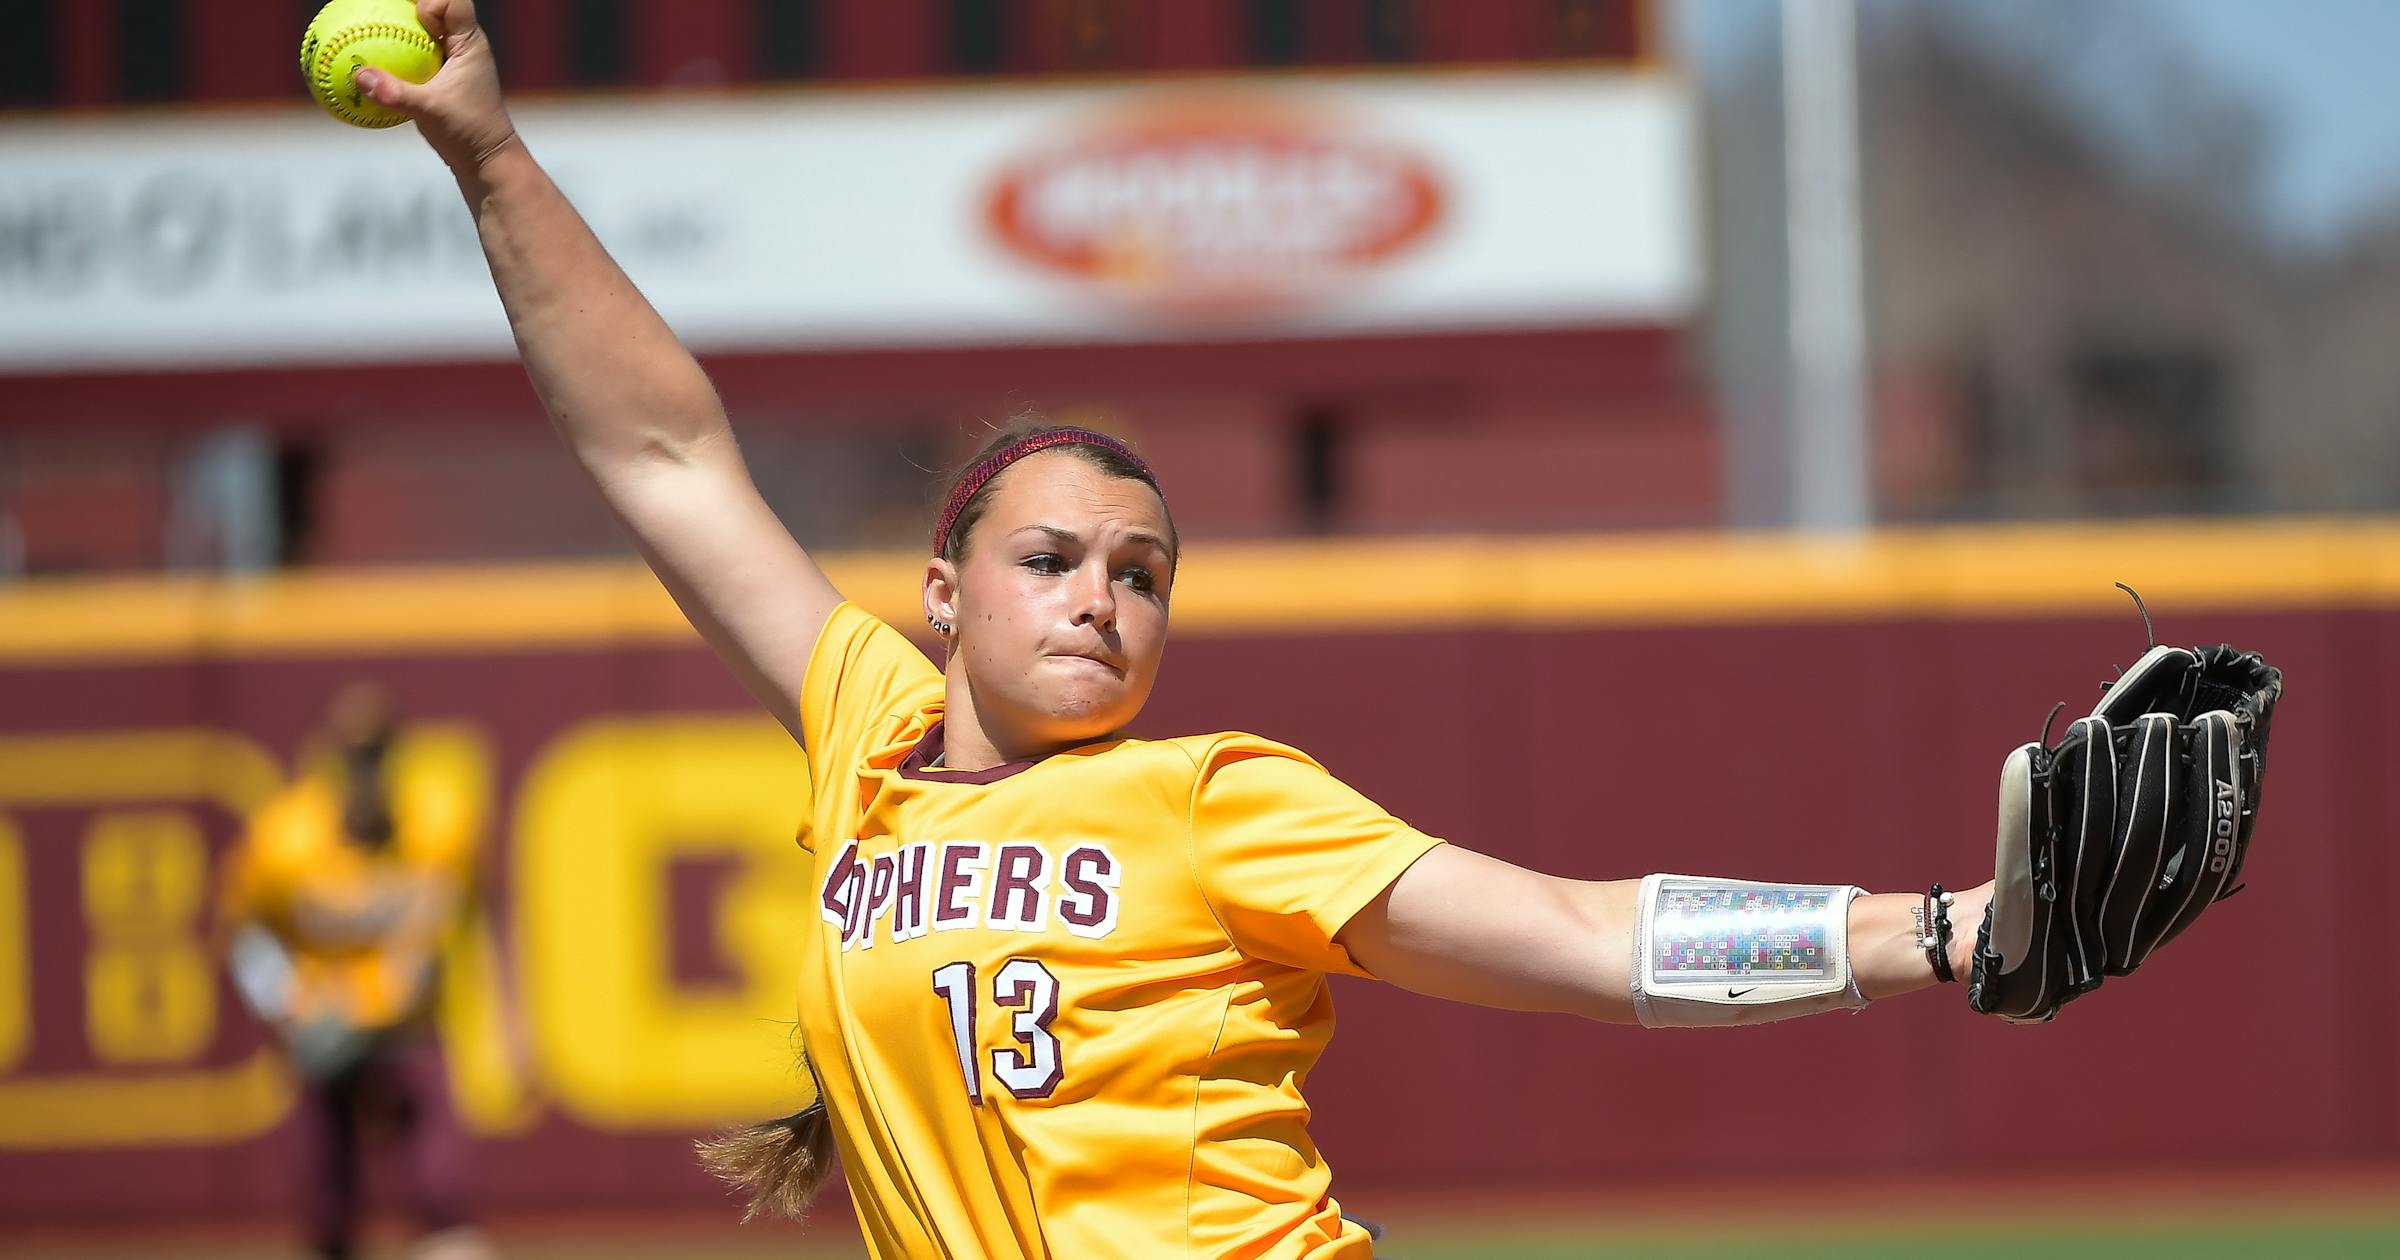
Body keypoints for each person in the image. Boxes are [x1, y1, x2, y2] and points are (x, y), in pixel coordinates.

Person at [354, 5, 2270, 1255]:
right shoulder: (863, 743)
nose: (1103, 594)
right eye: (1051, 559)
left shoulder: (1213, 801)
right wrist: (492, 159)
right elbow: (668, 448)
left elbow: (1589, 936)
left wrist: (1948, 934)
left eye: (1143, 569)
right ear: (939, 599)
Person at [217, 684, 493, 1260]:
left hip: (407, 1026)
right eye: (354, 759)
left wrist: (504, 1020)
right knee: (325, 1204)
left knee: (442, 1191)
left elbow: (468, 915)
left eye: (379, 757)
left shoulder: (437, 823)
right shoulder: (285, 838)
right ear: (330, 763)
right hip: (324, 1028)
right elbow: (244, 934)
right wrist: (287, 1002)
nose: (367, 773)